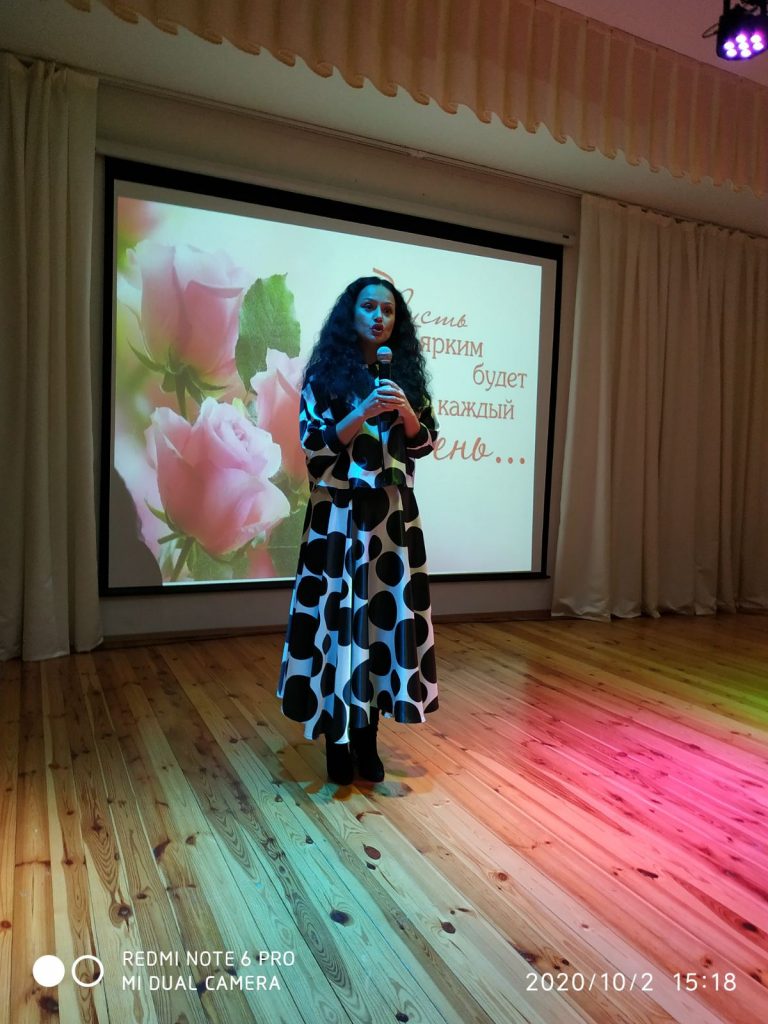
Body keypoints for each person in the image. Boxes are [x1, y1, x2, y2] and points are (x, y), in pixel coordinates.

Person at [277, 276, 439, 784]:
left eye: (388, 311)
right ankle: (336, 741)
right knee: (336, 627)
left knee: (380, 629)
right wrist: (362, 411)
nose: (379, 317)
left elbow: (424, 442)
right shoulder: (325, 376)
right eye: (369, 307)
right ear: (351, 314)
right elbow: (314, 444)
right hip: (338, 517)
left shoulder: (404, 379)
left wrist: (406, 411)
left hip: (390, 521)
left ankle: (367, 740)